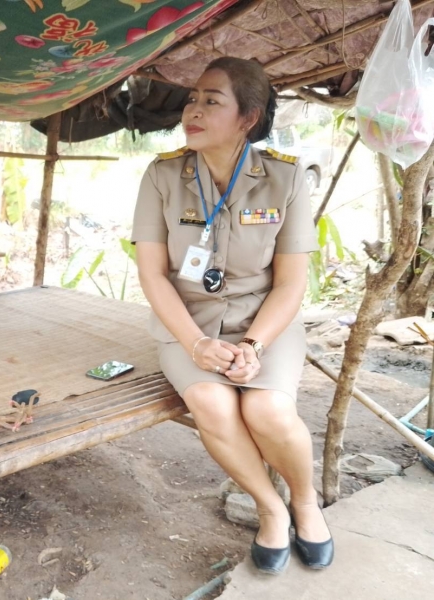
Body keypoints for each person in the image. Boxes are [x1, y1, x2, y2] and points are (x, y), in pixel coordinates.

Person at [131, 57, 334, 574]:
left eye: (211, 100)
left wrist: (254, 347)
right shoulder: (163, 175)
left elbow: (290, 284)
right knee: (213, 404)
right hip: (189, 325)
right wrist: (196, 343)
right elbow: (153, 274)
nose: (193, 111)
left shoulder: (285, 179)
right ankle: (270, 509)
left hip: (266, 324)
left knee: (267, 411)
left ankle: (305, 503)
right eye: (193, 99)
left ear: (249, 117)